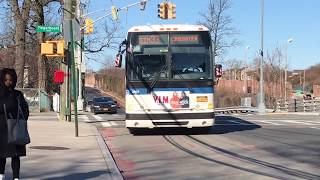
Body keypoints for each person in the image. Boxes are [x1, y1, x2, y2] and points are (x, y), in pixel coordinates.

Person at [0, 68, 29, 180]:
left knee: (15, 155)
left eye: (11, 80)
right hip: (1, 130)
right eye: (6, 80)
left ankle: (16, 177)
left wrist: (22, 120)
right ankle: (1, 175)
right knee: (1, 155)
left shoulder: (17, 94)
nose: (9, 82)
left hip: (15, 129)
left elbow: (25, 109)